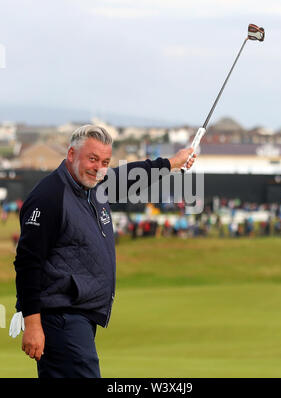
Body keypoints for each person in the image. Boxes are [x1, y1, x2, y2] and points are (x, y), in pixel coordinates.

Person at [12, 124, 196, 378]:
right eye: (92, 159)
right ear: (71, 155)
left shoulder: (95, 185)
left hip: (80, 316)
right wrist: (32, 323)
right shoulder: (49, 197)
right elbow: (28, 263)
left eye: (105, 161)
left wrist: (174, 162)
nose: (99, 167)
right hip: (61, 318)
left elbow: (131, 175)